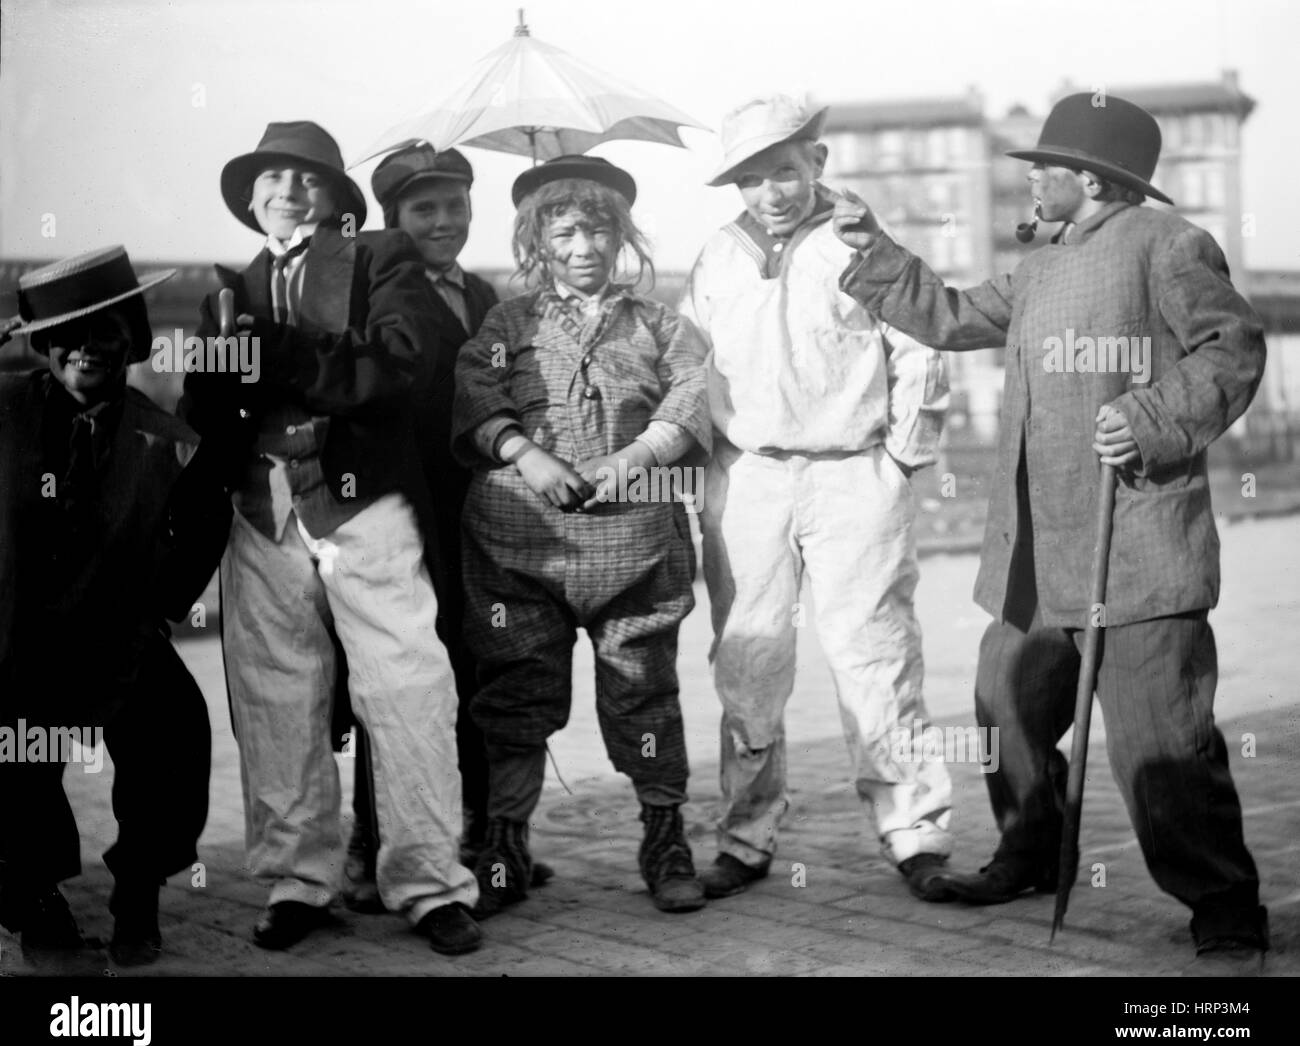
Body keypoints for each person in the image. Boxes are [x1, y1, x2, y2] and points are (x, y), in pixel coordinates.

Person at [833, 93, 1269, 976]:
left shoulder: (1167, 245)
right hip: (1039, 555)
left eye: (1045, 165)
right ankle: (1031, 857)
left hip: (1137, 547)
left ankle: (1223, 903)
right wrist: (873, 250)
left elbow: (1230, 347)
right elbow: (951, 317)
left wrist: (1150, 417)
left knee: (1163, 742)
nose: (1030, 176)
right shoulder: (1038, 265)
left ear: (1094, 180)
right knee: (1005, 712)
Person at [182, 120, 480, 955]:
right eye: (270, 179)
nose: (287, 192)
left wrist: (274, 349)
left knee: (407, 686)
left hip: (361, 501)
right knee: (276, 698)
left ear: (338, 199)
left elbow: (395, 367)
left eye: (307, 179)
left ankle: (429, 883)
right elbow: (209, 410)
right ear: (250, 201)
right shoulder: (230, 286)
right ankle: (298, 881)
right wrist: (213, 383)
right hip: (262, 506)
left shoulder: (381, 259)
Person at [679, 95, 955, 902]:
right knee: (748, 659)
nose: (773, 191)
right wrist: (708, 461)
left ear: (818, 164)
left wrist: (904, 456)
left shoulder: (860, 240)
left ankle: (916, 831)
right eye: (754, 178)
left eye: (786, 171)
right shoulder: (715, 257)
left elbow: (922, 350)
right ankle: (746, 832)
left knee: (875, 654)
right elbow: (692, 366)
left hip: (853, 470)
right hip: (751, 475)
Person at [452, 155, 712, 916]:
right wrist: (525, 454)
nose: (583, 247)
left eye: (598, 229)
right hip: (517, 546)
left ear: (622, 237)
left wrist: (637, 457)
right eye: (563, 231)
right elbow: (475, 387)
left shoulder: (661, 325)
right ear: (539, 241)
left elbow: (692, 395)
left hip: (636, 545)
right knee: (515, 688)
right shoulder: (507, 323)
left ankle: (665, 836)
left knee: (644, 690)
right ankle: (504, 843)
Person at [332, 145, 551, 911]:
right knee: (394, 677)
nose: (445, 222)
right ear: (392, 220)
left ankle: (485, 838)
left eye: (455, 205)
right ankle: (372, 841)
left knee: (478, 666)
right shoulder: (372, 289)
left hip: (477, 514)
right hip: (399, 509)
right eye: (424, 209)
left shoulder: (486, 294)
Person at [0, 246, 227, 966]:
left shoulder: (168, 440)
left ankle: (137, 893)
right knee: (12, 754)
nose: (86, 349)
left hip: (115, 637)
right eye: (65, 334)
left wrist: (160, 607)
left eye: (107, 331)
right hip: (17, 640)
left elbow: (204, 524)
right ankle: (36, 900)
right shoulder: (3, 411)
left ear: (133, 340)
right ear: (40, 345)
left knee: (174, 736)